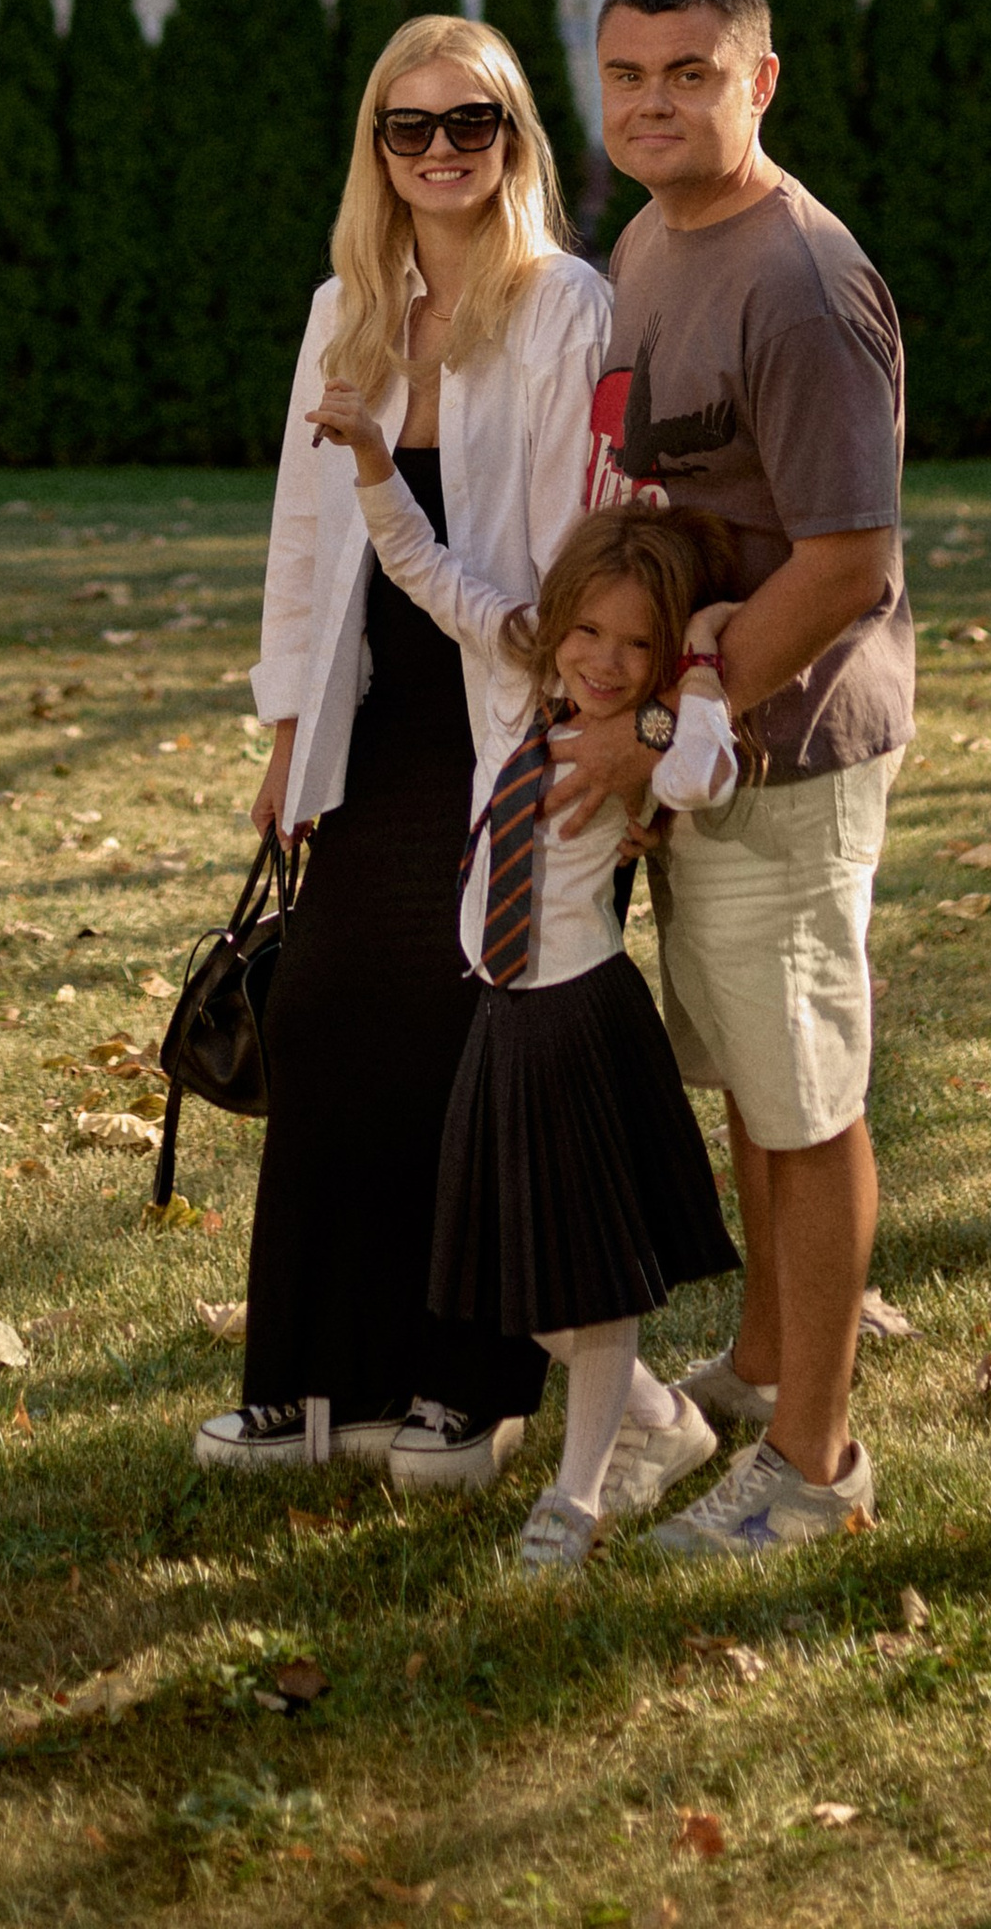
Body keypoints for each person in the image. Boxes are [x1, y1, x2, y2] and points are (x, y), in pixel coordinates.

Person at [193, 11, 610, 1488]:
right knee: (320, 1021)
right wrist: (289, 738)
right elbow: (304, 544)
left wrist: (569, 720)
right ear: (377, 148)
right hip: (368, 719)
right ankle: (309, 1382)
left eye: (471, 123)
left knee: (464, 1037)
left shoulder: (567, 310)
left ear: (513, 139)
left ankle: (465, 1389)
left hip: (502, 720)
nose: (441, 151)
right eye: (410, 127)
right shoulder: (344, 307)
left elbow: (569, 565)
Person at [552, 0, 912, 1562]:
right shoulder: (644, 241)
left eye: (689, 74)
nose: (651, 103)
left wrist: (660, 730)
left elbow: (848, 564)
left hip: (787, 750)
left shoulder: (803, 282)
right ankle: (767, 1363)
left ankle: (817, 1463)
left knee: (808, 1097)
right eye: (627, 75)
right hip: (700, 754)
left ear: (757, 83)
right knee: (756, 1091)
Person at [311, 478, 743, 1572]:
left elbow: (702, 772)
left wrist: (693, 670)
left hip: (578, 1024)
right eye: (587, 630)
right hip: (501, 1020)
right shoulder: (524, 686)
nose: (603, 658)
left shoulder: (641, 735)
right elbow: (426, 570)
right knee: (528, 1286)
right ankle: (662, 1419)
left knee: (587, 1282)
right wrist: (371, 462)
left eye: (634, 644)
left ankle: (577, 1492)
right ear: (555, 630)